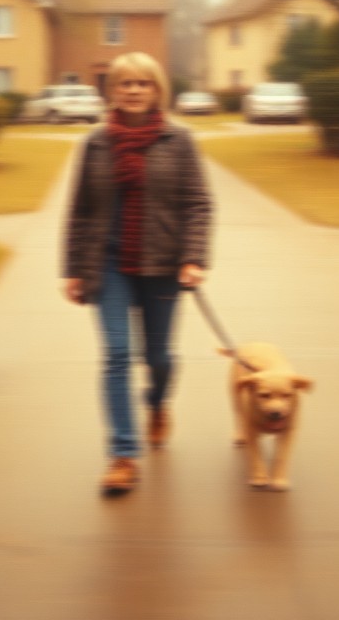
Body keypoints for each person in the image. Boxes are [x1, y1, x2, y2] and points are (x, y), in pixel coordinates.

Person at [62, 52, 213, 496]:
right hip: (107, 264)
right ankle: (123, 455)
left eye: (142, 83)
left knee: (159, 358)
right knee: (116, 354)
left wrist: (195, 258)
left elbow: (198, 204)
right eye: (124, 83)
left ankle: (158, 402)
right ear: (113, 91)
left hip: (163, 264)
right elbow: (80, 210)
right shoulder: (94, 144)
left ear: (156, 90)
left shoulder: (179, 141)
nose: (132, 90)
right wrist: (73, 269)